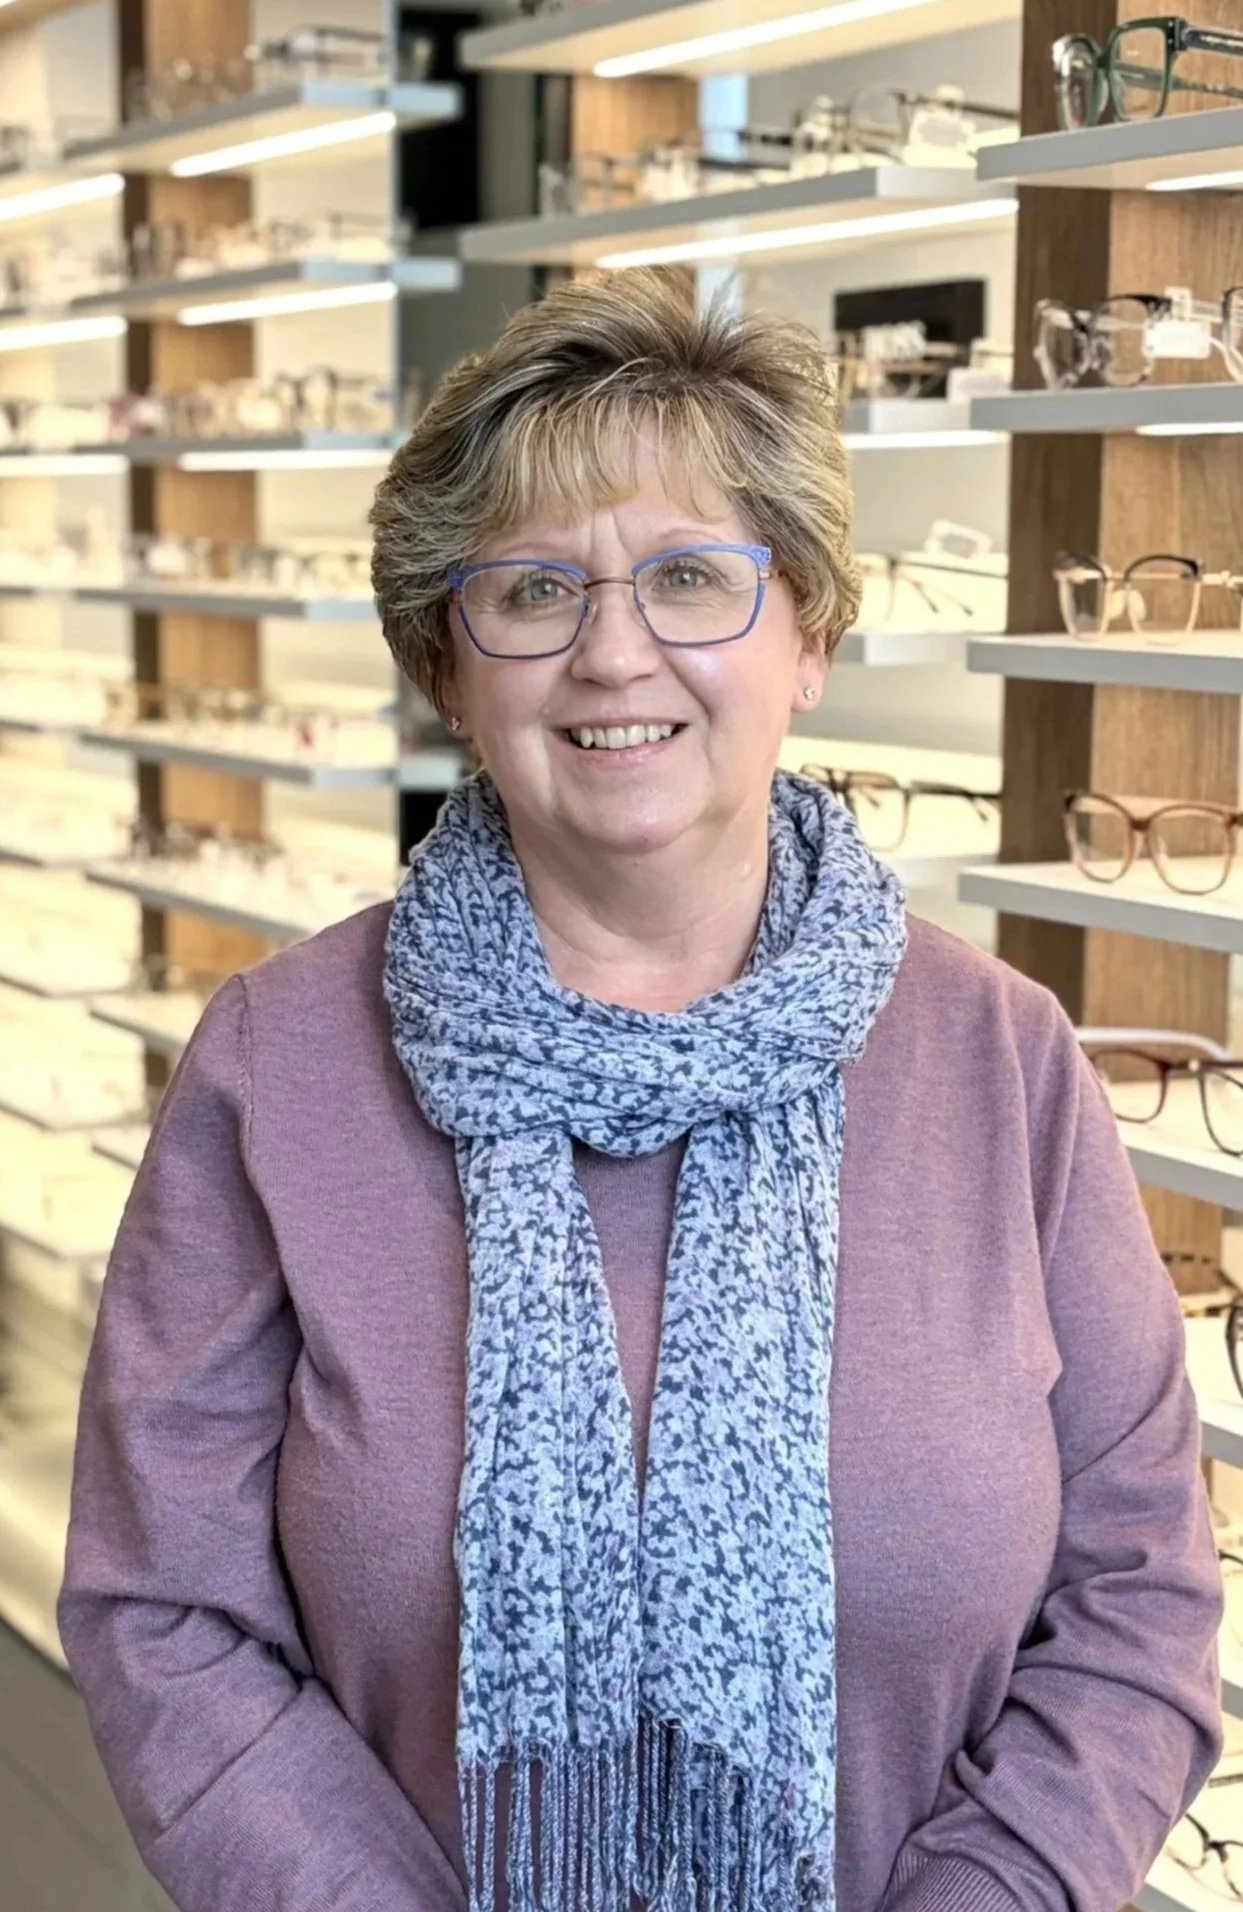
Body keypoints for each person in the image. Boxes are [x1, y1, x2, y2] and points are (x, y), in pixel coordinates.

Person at [59, 269, 1221, 1912]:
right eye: (531, 592)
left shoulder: (998, 1061)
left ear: (808, 636)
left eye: (691, 577)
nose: (615, 653)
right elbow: (164, 1615)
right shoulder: (280, 1067)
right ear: (447, 668)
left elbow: (1136, 1601)